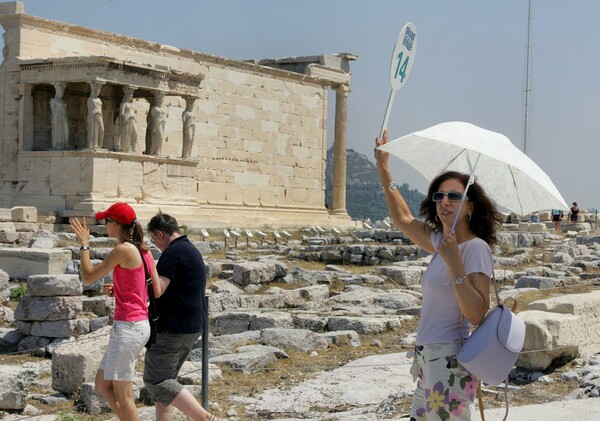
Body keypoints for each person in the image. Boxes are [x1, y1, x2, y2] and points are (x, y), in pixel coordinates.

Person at [375, 130, 501, 420]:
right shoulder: (438, 242)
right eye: (439, 195)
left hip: (451, 360)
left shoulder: (475, 248)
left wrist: (455, 262)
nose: (445, 201)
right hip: (426, 359)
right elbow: (403, 218)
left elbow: (477, 315)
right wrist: (383, 167)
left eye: (454, 196)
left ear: (469, 206)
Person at [70, 203, 162, 421]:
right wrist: (122, 289)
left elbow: (88, 276)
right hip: (138, 325)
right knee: (102, 384)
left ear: (115, 225)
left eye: (106, 221)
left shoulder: (123, 249)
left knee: (124, 394)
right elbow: (155, 290)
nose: (104, 225)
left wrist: (84, 245)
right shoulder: (143, 249)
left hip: (128, 327)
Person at [143, 212, 222, 421]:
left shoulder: (172, 253)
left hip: (173, 328)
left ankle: (205, 418)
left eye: (153, 239)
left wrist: (149, 261)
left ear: (160, 233)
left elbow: (158, 289)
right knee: (167, 382)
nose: (154, 244)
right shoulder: (190, 249)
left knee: (156, 380)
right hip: (193, 325)